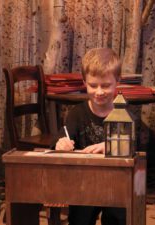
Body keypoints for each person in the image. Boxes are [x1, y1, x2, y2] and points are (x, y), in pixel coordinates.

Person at [51, 47, 140, 225]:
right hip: (84, 184)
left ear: (117, 81)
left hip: (117, 184)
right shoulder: (77, 114)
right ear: (84, 82)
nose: (99, 92)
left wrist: (112, 147)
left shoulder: (126, 114)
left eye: (106, 85)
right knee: (79, 220)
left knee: (119, 218)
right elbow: (62, 136)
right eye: (93, 85)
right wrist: (60, 142)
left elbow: (137, 148)